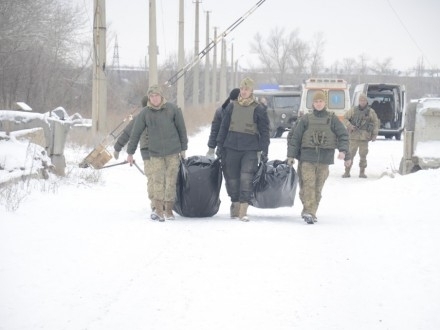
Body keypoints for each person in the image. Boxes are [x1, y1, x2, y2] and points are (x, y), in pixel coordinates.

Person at [286, 90, 351, 224]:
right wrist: (291, 156)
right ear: (312, 103)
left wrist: (344, 153)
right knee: (307, 185)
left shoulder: (332, 119)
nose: (318, 104)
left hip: (324, 159)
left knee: (317, 187)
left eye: (321, 101)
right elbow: (296, 137)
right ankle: (309, 212)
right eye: (316, 101)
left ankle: (310, 211)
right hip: (307, 158)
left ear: (325, 103)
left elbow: (343, 135)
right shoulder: (306, 119)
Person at [126, 84, 188, 222]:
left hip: (173, 152)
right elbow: (135, 134)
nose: (154, 99)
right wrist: (130, 153)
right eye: (151, 96)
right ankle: (159, 211)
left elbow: (182, 130)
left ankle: (169, 210)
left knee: (171, 181)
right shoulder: (145, 113)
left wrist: (183, 148)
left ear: (161, 96)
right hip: (155, 153)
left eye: (156, 96)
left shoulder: (173, 110)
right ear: (149, 98)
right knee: (157, 181)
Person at [216, 77, 270, 222]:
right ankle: (235, 205)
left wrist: (264, 150)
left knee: (246, 178)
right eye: (242, 89)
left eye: (247, 89)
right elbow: (223, 127)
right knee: (232, 179)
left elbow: (265, 131)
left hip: (250, 149)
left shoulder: (259, 108)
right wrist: (219, 146)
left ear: (252, 91)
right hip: (231, 147)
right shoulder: (231, 106)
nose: (244, 91)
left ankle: (243, 210)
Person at [113, 95, 160, 218]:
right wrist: (118, 147)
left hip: (161, 151)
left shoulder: (163, 115)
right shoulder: (140, 117)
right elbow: (128, 133)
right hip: (148, 151)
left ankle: (162, 204)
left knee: (157, 177)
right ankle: (156, 206)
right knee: (153, 177)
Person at [342, 93, 380, 178]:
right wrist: (349, 126)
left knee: (363, 155)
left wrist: (374, 134)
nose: (362, 102)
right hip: (354, 137)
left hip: (364, 138)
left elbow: (375, 123)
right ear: (358, 101)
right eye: (361, 100)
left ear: (366, 101)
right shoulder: (353, 110)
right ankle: (347, 172)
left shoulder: (371, 111)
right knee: (350, 155)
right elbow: (344, 118)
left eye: (364, 100)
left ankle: (362, 172)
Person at [206, 88, 240, 159]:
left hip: (240, 148)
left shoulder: (244, 111)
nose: (233, 103)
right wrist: (211, 149)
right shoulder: (221, 111)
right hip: (223, 146)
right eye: (232, 100)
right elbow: (215, 131)